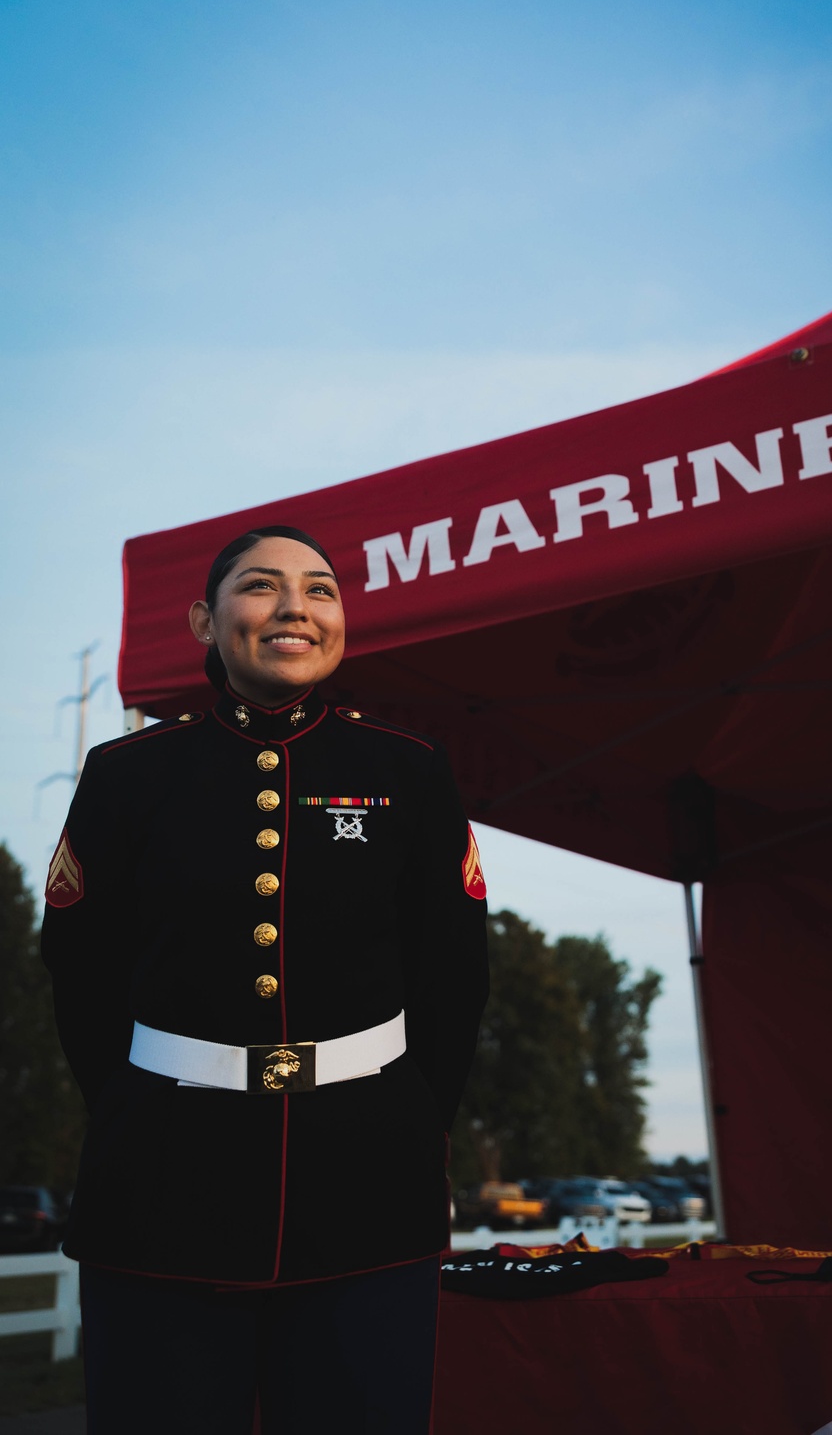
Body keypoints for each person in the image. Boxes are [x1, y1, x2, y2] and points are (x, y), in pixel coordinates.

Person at [41, 524, 490, 1434]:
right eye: (261, 587)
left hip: (369, 1186)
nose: (295, 607)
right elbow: (80, 975)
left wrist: (408, 1121)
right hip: (162, 1184)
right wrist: (143, 1103)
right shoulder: (127, 774)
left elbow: (454, 974)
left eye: (320, 590)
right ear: (207, 621)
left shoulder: (408, 770)